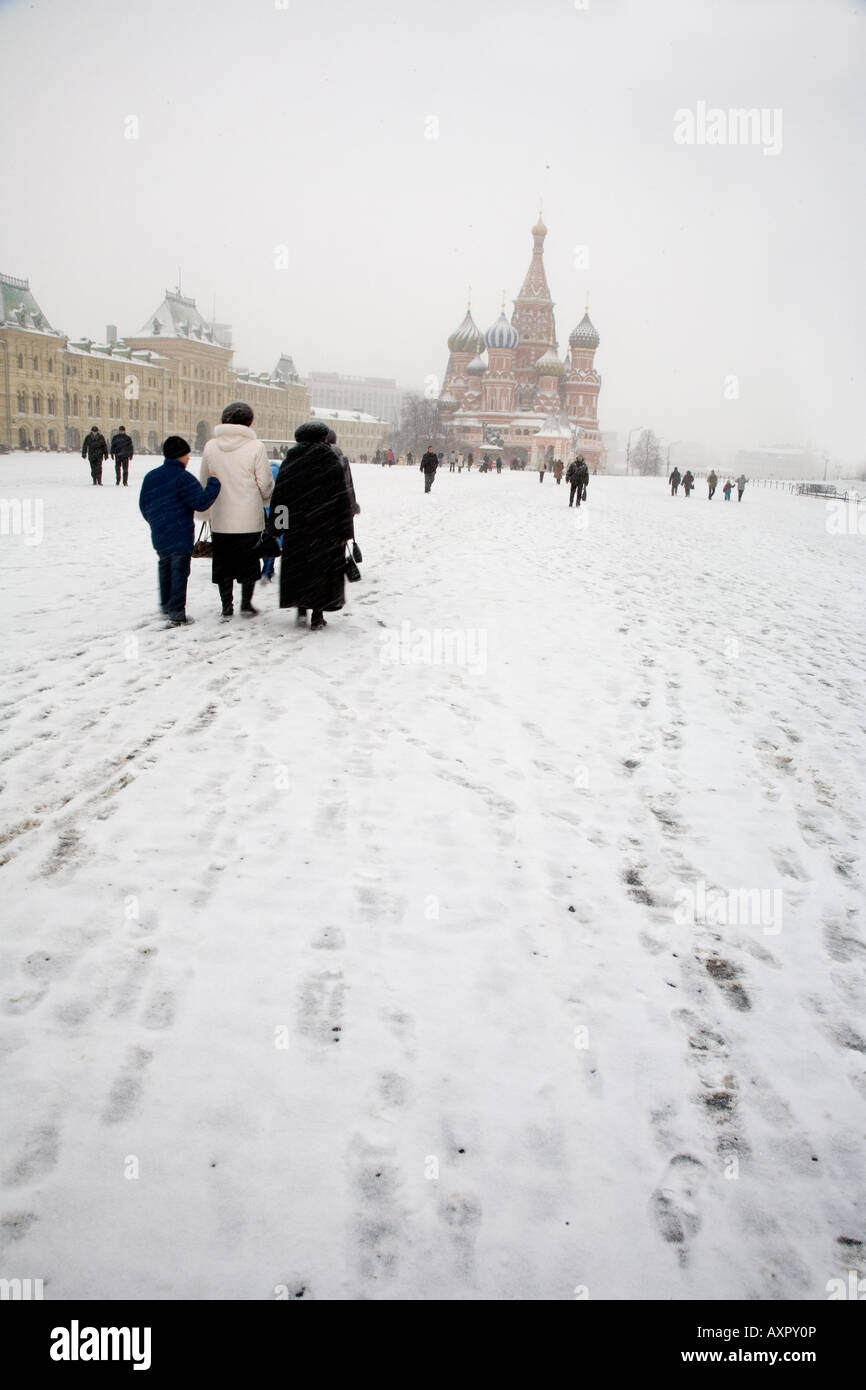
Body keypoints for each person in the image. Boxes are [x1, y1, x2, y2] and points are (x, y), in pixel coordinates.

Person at [268, 420, 354, 631]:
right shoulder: (330, 460)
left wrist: (278, 527)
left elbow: (280, 497)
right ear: (324, 438)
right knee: (321, 570)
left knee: (299, 567)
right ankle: (318, 613)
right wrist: (345, 529)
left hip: (297, 527)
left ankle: (300, 607)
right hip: (325, 528)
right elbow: (342, 498)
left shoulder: (291, 460)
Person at [198, 401, 274, 619]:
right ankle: (246, 604)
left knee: (223, 563)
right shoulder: (256, 447)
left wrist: (204, 511)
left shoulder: (211, 446)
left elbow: (205, 480)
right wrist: (266, 500)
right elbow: (265, 483)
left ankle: (226, 606)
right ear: (249, 422)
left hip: (221, 516)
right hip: (249, 517)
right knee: (249, 562)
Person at [139, 436, 221, 627]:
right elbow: (200, 503)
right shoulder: (183, 478)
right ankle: (176, 613)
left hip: (160, 534)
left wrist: (156, 522)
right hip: (180, 534)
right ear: (179, 456)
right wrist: (214, 483)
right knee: (179, 572)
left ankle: (166, 606)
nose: (188, 458)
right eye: (187, 454)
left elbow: (144, 505)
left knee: (165, 568)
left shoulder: (151, 476)